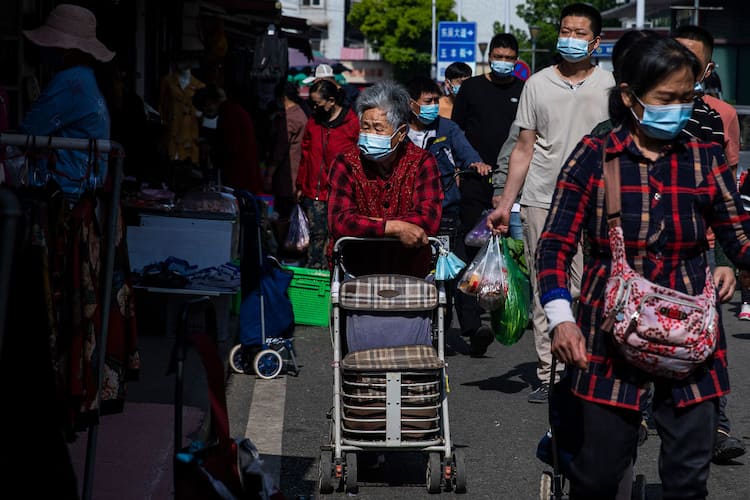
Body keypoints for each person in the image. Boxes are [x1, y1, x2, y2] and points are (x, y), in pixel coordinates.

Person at [507, 35, 750, 499]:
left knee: (687, 480)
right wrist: (561, 321)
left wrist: (732, 264)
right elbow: (554, 245)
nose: (678, 109)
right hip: (605, 335)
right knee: (598, 476)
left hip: (691, 338)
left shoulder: (704, 158)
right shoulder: (595, 156)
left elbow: (739, 237)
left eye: (686, 98)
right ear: (629, 96)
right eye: (665, 99)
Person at [492, 3, 615, 403]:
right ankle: (552, 373)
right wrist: (506, 203)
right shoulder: (538, 84)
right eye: (566, 31)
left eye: (580, 33)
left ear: (596, 41)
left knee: (588, 288)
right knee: (547, 284)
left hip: (596, 201)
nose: (571, 39)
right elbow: (523, 148)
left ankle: (589, 364)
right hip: (542, 198)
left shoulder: (611, 86)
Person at [672, 24, 746, 465]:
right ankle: (635, 416)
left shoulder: (716, 118)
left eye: (692, 63)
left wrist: (728, 259)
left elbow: (727, 196)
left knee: (707, 341)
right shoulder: (619, 123)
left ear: (706, 68)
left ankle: (716, 426)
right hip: (634, 259)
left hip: (700, 249)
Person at [451, 32, 525, 356]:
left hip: (513, 183)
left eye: (510, 57)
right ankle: (471, 324)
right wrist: (461, 168)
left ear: (516, 60)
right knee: (470, 249)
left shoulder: (525, 91)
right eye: (499, 55)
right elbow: (456, 132)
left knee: (511, 252)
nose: (503, 62)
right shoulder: (471, 88)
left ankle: (503, 312)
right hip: (474, 180)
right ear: (490, 56)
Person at [327, 80, 443, 278]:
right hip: (356, 272)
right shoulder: (345, 162)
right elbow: (340, 221)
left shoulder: (423, 161)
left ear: (401, 133)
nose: (369, 134)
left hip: (410, 273)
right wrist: (396, 228)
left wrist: (367, 224)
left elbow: (428, 219)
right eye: (365, 127)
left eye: (378, 129)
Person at [405, 76, 491, 332]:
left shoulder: (448, 129)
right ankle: (424, 329)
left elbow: (467, 154)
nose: (432, 105)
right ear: (412, 104)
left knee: (460, 271)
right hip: (413, 217)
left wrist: (476, 164)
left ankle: (473, 329)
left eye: (435, 100)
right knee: (420, 273)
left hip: (447, 214)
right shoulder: (399, 130)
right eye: (427, 101)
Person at [19, 3, 114, 198]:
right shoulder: (85, 78)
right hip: (81, 189)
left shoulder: (71, 81)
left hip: (66, 193)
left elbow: (29, 129)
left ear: (65, 50)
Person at [296, 78, 359, 269]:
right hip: (314, 193)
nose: (314, 107)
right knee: (316, 236)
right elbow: (305, 156)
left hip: (341, 194)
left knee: (338, 237)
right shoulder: (313, 124)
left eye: (318, 103)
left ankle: (337, 275)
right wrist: (300, 185)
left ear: (331, 101)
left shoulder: (352, 124)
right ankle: (314, 276)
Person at [192, 84, 262, 193]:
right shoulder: (231, 110)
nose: (205, 112)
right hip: (243, 172)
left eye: (204, 107)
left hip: (239, 174)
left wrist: (211, 148)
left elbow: (230, 146)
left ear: (211, 101)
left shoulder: (229, 113)